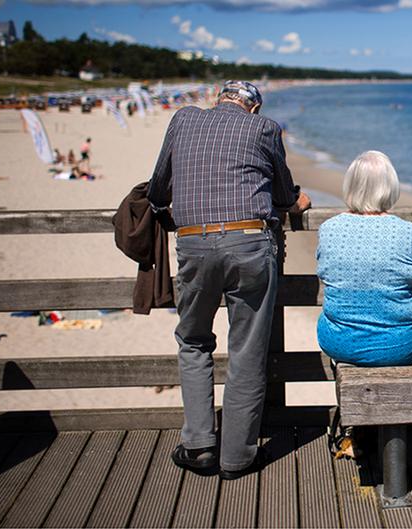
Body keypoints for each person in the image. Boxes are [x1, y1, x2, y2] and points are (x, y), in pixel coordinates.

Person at [148, 80, 311, 480]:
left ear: (218, 100)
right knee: (248, 350)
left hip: (193, 243)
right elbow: (283, 191)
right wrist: (296, 202)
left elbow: (158, 189)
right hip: (250, 243)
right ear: (253, 109)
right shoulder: (265, 128)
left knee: (192, 340)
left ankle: (200, 445)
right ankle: (237, 458)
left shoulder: (183, 119)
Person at [316, 151, 412, 367]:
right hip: (399, 345)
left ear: (351, 185)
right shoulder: (409, 233)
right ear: (390, 187)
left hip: (337, 342)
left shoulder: (328, 229)